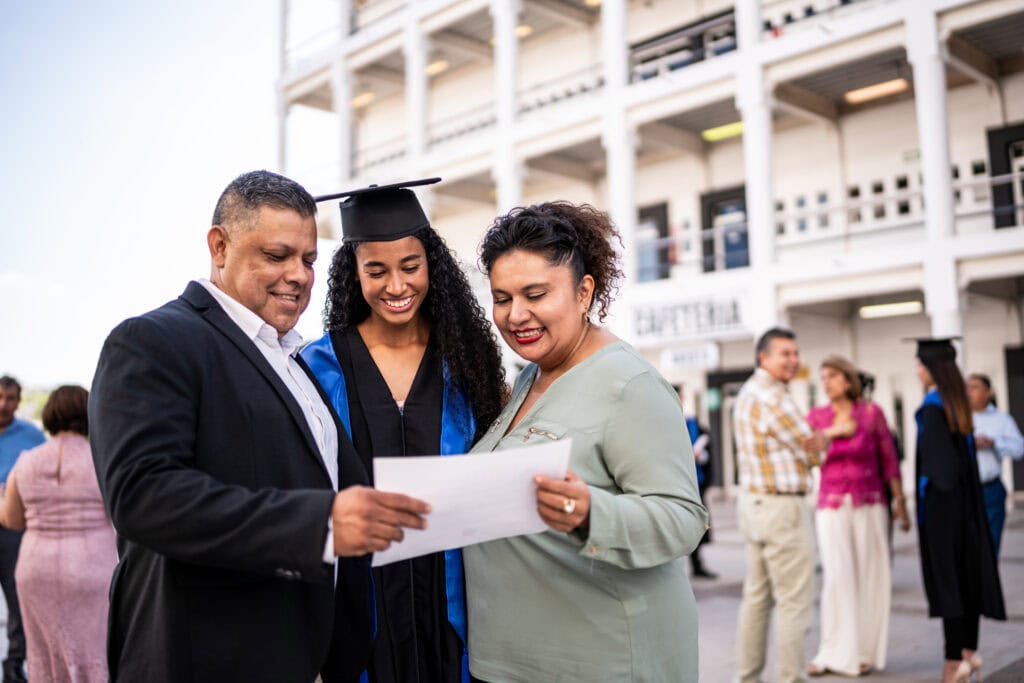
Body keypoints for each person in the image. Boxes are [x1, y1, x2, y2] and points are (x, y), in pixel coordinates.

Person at [88, 170, 431, 683]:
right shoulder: (154, 340)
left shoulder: (292, 359)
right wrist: (320, 524)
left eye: (308, 260)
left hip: (310, 656)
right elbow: (143, 495)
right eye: (276, 256)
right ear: (219, 246)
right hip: (212, 660)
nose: (299, 276)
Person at [464, 202, 710, 682]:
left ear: (583, 292)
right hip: (515, 660)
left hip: (604, 660)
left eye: (536, 294)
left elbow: (684, 519)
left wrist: (593, 513)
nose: (516, 315)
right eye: (502, 298)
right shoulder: (531, 377)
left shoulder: (629, 385)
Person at [301, 178, 506, 683]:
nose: (396, 286)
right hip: (361, 608)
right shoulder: (319, 366)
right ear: (354, 273)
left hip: (457, 610)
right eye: (377, 271)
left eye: (410, 267)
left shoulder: (465, 361)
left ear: (430, 264)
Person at [732, 327, 830, 683]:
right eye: (785, 354)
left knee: (757, 598)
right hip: (782, 509)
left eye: (795, 353)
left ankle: (747, 678)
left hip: (755, 504)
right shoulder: (772, 395)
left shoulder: (748, 392)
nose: (793, 361)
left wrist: (816, 443)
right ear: (764, 357)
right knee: (794, 601)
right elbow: (811, 447)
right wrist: (823, 441)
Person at [0, 385, 115, 681]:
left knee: (44, 654)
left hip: (36, 569)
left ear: (50, 414)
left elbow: (12, 520)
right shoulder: (104, 462)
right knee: (93, 649)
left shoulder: (26, 461)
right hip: (92, 568)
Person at [805, 356, 910, 677]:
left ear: (848, 380)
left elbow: (889, 460)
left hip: (869, 502)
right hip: (831, 504)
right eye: (823, 377)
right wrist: (832, 433)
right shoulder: (817, 417)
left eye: (832, 376)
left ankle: (864, 650)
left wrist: (900, 502)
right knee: (836, 577)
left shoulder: (871, 413)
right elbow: (809, 458)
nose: (826, 382)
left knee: (870, 576)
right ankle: (832, 650)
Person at [912, 339, 1006, 683]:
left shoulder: (933, 409)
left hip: (943, 510)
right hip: (968, 509)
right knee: (967, 576)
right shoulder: (959, 404)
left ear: (932, 369)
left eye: (920, 364)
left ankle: (953, 663)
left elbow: (939, 471)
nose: (917, 371)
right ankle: (969, 652)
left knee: (949, 580)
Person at [0, 376, 43, 683]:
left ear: (19, 401)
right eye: (0, 397)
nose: (4, 404)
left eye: (11, 398)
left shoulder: (32, 435)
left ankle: (14, 665)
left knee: (18, 597)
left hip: (13, 528)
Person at [966, 372, 1023, 557]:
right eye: (967, 387)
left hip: (990, 489)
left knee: (991, 545)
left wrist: (994, 443)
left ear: (988, 392)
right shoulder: (959, 418)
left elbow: (1019, 449)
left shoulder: (1002, 419)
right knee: (967, 546)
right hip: (965, 489)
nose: (969, 392)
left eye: (974, 387)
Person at [685, 415, 717, 579]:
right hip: (681, 484)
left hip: (698, 483)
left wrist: (700, 454)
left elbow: (707, 451)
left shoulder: (695, 424)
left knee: (699, 524)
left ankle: (697, 565)